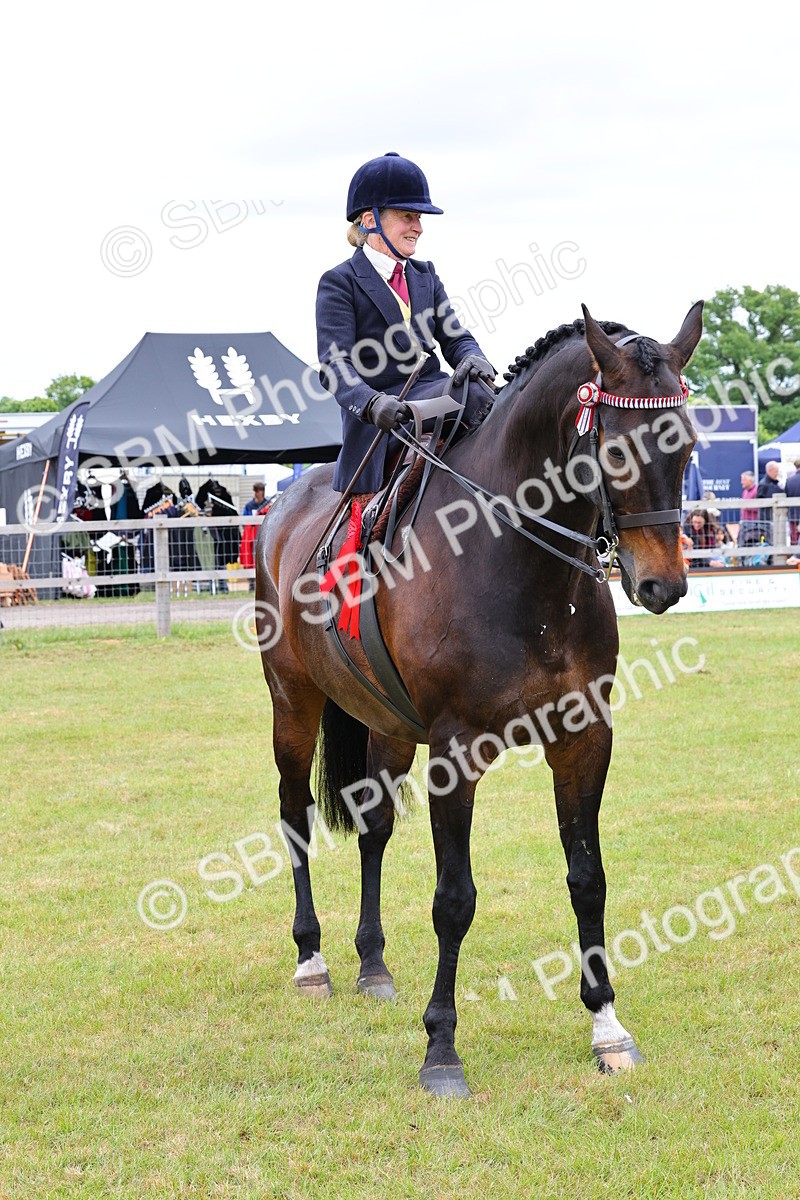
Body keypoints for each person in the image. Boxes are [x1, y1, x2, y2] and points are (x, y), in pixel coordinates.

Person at [316, 152, 497, 493]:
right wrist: (370, 402)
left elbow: (455, 337)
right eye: (407, 216)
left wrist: (474, 357)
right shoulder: (339, 282)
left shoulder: (425, 275)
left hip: (434, 396)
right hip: (383, 412)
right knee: (473, 396)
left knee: (490, 394)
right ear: (370, 219)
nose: (419, 227)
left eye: (419, 217)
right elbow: (333, 365)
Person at [785, 457, 800, 548]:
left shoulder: (789, 481)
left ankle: (795, 558)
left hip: (793, 514)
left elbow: (786, 497)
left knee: (794, 538)